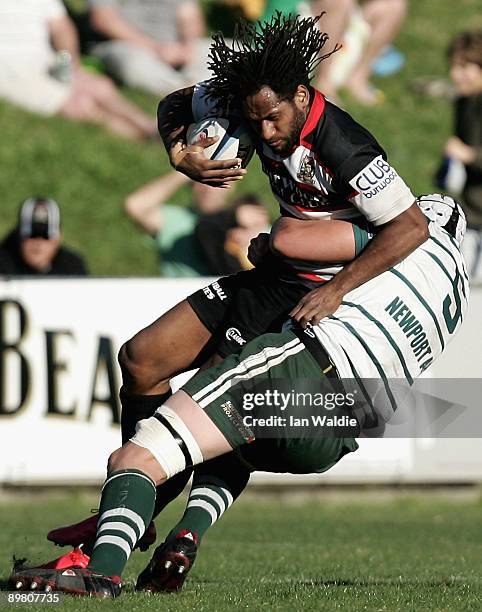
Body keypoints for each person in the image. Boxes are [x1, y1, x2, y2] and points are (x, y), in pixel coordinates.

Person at [8, 13, 463, 596]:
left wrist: (335, 287)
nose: (265, 131)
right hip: (274, 281)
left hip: (310, 302)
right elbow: (175, 100)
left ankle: (121, 536)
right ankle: (139, 513)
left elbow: (408, 227)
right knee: (142, 358)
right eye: (255, 118)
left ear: (303, 95)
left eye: (274, 117)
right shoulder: (247, 103)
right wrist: (181, 154)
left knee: (219, 413)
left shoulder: (342, 142)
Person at [0, 0, 157, 140]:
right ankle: (141, 139)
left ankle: (153, 129)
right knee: (82, 105)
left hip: (45, 61)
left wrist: (72, 65)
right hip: (9, 70)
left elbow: (62, 28)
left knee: (101, 87)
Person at [259, 0, 407, 104]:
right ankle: (324, 81)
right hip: (306, 22)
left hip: (349, 31)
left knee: (394, 5)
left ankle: (358, 77)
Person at [124, 171, 269, 276]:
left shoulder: (252, 224)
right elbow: (135, 205)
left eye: (215, 181)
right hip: (181, 305)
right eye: (200, 181)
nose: (207, 189)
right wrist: (184, 170)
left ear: (232, 183)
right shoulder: (175, 219)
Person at [88, 0, 212, 96]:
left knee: (223, 50)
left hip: (175, 46)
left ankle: (198, 89)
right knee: (134, 64)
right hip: (124, 44)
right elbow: (103, 20)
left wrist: (187, 45)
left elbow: (189, 16)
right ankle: (184, 91)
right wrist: (157, 48)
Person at [443, 30, 482, 283]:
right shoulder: (464, 102)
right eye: (453, 67)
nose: (454, 75)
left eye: (464, 67)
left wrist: (469, 155)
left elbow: (467, 151)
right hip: (471, 208)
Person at [0, 197, 88, 275]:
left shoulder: (72, 268)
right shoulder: (3, 263)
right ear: (19, 235)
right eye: (32, 235)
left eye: (46, 236)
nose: (38, 243)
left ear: (58, 238)